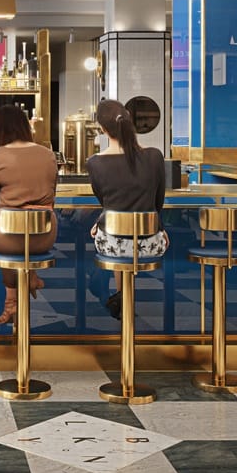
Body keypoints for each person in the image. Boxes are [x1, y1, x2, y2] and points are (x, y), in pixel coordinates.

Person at [87, 99, 167, 320]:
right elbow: (157, 203)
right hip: (151, 244)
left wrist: (101, 221)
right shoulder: (154, 156)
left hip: (112, 244)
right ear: (129, 121)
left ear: (102, 129)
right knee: (123, 234)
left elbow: (107, 203)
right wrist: (159, 227)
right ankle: (124, 299)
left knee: (115, 235)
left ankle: (121, 296)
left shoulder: (94, 163)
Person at [0, 103, 58, 324]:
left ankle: (11, 302)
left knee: (7, 233)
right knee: (19, 233)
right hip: (45, 234)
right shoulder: (48, 155)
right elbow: (52, 197)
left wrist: (8, 214)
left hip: (9, 237)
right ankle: (29, 276)